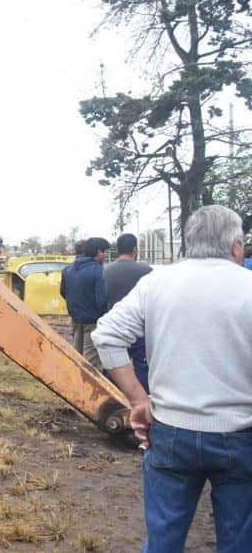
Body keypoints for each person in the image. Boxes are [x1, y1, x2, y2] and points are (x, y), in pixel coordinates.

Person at [92, 205, 252, 552]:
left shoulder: (157, 283)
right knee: (239, 539)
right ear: (236, 246)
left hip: (169, 430)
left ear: (188, 242)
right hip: (240, 435)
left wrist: (138, 399)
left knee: (163, 540)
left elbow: (106, 336)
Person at [103, 233, 152, 392]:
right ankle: (143, 397)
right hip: (140, 327)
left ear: (117, 249)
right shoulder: (146, 271)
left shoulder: (106, 271)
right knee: (142, 365)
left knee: (114, 364)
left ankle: (111, 393)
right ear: (135, 249)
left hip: (116, 324)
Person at [59, 236, 109, 370]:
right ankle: (90, 388)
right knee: (92, 360)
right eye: (105, 252)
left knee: (76, 355)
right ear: (99, 252)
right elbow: (102, 300)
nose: (106, 256)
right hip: (93, 321)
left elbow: (64, 292)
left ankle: (74, 383)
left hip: (76, 319)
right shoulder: (98, 271)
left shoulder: (69, 270)